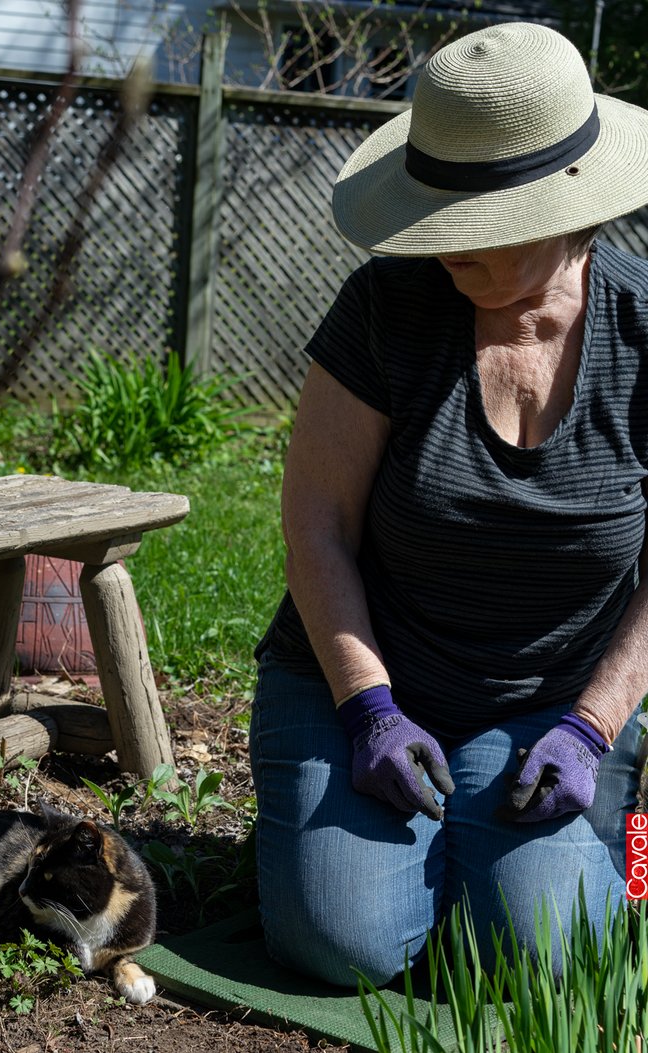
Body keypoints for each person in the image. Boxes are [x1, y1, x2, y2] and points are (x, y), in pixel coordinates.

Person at [250, 20, 648, 987]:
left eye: (467, 225)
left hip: (555, 706)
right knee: (339, 943)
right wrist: (370, 709)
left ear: (561, 207)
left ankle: (611, 845)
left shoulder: (643, 327)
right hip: (362, 684)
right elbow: (316, 526)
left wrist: (593, 724)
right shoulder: (386, 307)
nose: (437, 245)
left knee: (552, 963)